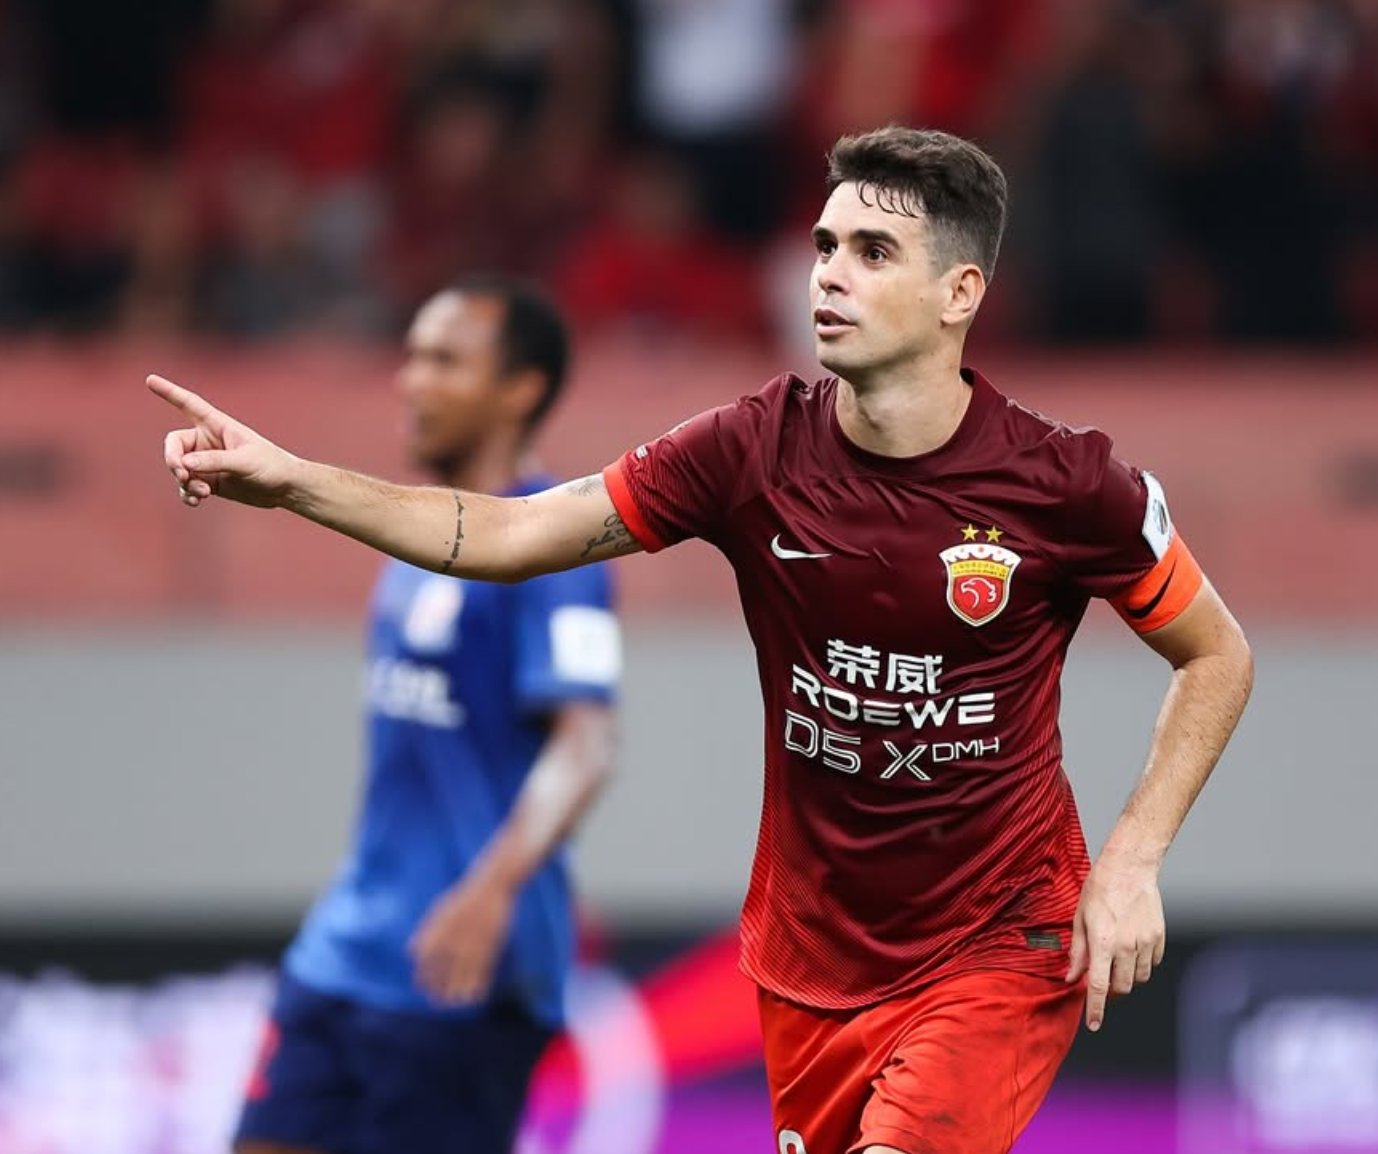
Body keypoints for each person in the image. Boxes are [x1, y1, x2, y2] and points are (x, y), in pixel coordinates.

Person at [153, 127, 1253, 1154]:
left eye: (873, 252)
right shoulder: (751, 449)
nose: (829, 275)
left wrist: (1131, 859)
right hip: (810, 959)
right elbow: (513, 532)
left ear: (959, 292)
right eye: (825, 246)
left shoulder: (1069, 483)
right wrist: (293, 481)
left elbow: (1216, 654)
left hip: (1000, 937)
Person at [229, 276, 622, 1154]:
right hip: (344, 952)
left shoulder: (556, 550)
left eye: (444, 361)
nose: (411, 380)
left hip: (459, 970)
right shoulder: (413, 542)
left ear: (519, 389)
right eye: (411, 356)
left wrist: (491, 889)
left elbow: (587, 744)